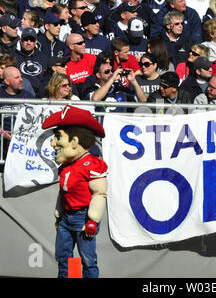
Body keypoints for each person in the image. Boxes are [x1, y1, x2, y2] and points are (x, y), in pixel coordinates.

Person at [41, 105, 108, 278]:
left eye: (58, 137)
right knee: (66, 258)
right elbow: (63, 192)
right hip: (66, 218)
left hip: (83, 217)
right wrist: (59, 213)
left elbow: (99, 193)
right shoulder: (66, 166)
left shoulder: (92, 164)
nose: (53, 143)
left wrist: (93, 219)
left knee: (87, 260)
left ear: (75, 142)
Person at [81, 52, 146, 112]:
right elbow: (95, 99)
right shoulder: (92, 85)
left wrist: (134, 81)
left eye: (112, 70)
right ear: (98, 75)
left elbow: (143, 101)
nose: (111, 73)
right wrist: (111, 80)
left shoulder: (119, 87)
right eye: (107, 71)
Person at [14, 27, 48, 98]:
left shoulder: (44, 58)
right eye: (26, 39)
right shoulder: (14, 57)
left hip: (41, 95)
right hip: (20, 95)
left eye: (32, 40)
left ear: (36, 41)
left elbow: (47, 78)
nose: (28, 42)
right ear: (21, 41)